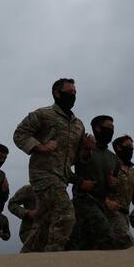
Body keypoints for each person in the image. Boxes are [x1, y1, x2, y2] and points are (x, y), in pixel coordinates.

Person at [13, 78, 85, 252]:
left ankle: (27, 258)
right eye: (69, 92)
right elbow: (19, 134)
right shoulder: (43, 115)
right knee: (66, 215)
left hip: (62, 178)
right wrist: (40, 146)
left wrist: (87, 150)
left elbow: (76, 158)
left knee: (44, 223)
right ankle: (53, 259)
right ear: (56, 93)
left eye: (75, 92)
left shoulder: (78, 125)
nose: (73, 95)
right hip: (43, 174)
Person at [70, 115, 119, 250]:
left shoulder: (113, 158)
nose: (111, 131)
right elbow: (65, 168)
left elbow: (114, 187)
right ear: (97, 128)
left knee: (85, 244)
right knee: (106, 236)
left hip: (102, 204)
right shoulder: (84, 148)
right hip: (84, 200)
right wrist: (85, 150)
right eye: (108, 128)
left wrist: (112, 185)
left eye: (113, 129)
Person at [110, 135, 134, 249]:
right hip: (110, 213)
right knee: (129, 246)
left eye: (132, 146)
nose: (131, 148)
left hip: (125, 217)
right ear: (118, 147)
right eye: (128, 145)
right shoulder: (109, 164)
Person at [7, 184, 37, 250]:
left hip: (51, 231)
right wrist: (27, 212)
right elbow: (11, 204)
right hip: (30, 230)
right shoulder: (29, 189)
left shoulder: (56, 190)